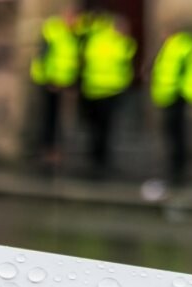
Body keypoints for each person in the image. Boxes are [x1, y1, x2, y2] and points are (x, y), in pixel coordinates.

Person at [78, 13, 136, 174]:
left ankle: (97, 158)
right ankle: (99, 159)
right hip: (105, 91)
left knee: (99, 128)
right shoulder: (119, 43)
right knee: (101, 128)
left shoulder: (99, 40)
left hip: (99, 91)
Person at [151, 30, 192, 184]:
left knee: (177, 131)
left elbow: (185, 70)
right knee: (173, 131)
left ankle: (179, 165)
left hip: (177, 95)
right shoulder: (172, 47)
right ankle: (176, 163)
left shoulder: (181, 46)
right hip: (170, 95)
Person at [30, 10, 80, 167]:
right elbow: (45, 57)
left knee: (58, 117)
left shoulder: (72, 35)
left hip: (63, 83)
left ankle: (54, 149)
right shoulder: (54, 31)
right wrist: (50, 80)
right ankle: (47, 149)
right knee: (49, 117)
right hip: (50, 83)